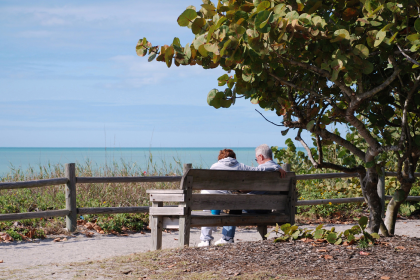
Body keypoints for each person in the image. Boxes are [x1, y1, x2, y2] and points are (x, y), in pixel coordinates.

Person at [197, 146, 286, 247]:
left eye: (256, 159)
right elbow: (258, 171)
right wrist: (277, 167)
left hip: (225, 203)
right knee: (235, 203)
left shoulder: (214, 166)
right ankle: (227, 238)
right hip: (269, 207)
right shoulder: (241, 166)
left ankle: (207, 240)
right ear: (234, 158)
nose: (257, 161)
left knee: (226, 206)